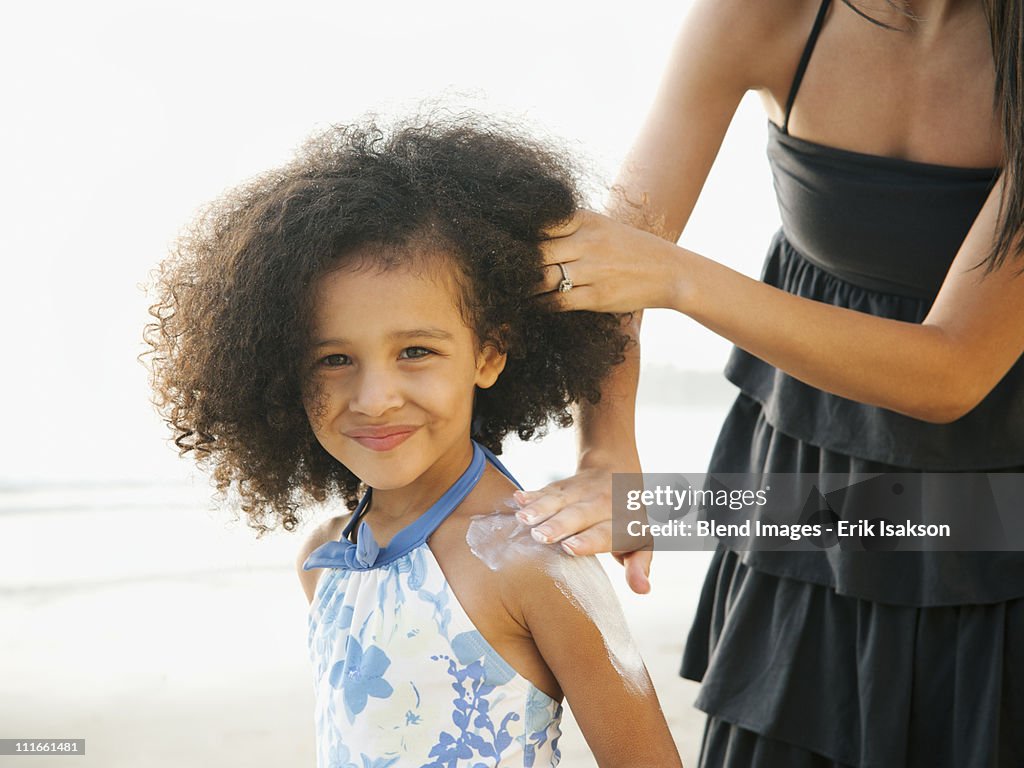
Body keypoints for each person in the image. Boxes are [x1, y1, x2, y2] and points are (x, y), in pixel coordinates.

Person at [512, 0, 1024, 766]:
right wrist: (606, 448)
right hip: (804, 517)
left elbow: (951, 371)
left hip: (1000, 528)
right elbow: (610, 261)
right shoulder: (761, 15)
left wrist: (679, 279)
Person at [143, 115, 684, 767]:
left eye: (417, 351)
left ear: (488, 354)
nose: (375, 397)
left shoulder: (536, 563)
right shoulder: (325, 562)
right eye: (334, 359)